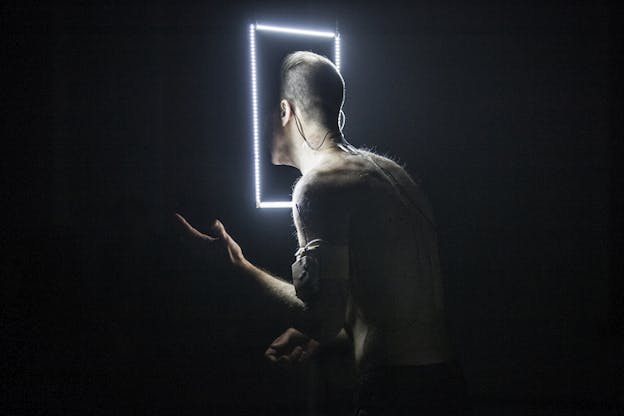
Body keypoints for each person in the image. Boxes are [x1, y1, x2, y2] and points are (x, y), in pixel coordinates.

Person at [176, 51, 470, 415]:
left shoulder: (319, 186)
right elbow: (384, 309)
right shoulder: (393, 174)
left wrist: (237, 266)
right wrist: (318, 333)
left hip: (397, 394)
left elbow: (323, 318)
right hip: (448, 385)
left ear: (285, 111)